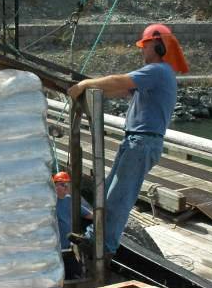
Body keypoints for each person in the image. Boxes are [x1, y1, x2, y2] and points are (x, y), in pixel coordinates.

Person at [67, 23, 189, 258]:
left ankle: (104, 246)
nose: (142, 51)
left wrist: (84, 84)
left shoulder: (158, 71)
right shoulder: (156, 75)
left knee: (119, 197)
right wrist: (90, 90)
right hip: (136, 141)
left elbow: (119, 81)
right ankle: (96, 238)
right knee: (109, 192)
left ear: (158, 45)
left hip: (142, 142)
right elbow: (117, 91)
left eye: (145, 46)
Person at [53, 171, 92, 280]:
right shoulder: (50, 202)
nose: (65, 187)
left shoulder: (70, 201)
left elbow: (88, 215)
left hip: (68, 248)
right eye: (61, 184)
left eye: (67, 184)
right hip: (54, 250)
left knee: (74, 273)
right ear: (54, 186)